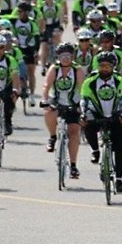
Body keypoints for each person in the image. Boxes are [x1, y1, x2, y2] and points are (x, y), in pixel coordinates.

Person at [80, 51, 122, 193]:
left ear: (113, 66)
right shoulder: (90, 81)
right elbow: (85, 100)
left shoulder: (119, 80)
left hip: (114, 115)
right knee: (87, 125)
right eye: (102, 66)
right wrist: (83, 114)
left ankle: (119, 179)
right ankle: (95, 150)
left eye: (108, 66)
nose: (104, 69)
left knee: (121, 146)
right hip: (97, 113)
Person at [41, 42, 84, 178]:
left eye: (68, 55)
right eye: (62, 55)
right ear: (58, 56)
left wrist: (83, 104)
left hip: (73, 102)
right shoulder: (55, 68)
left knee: (74, 133)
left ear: (73, 56)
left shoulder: (77, 69)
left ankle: (73, 166)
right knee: (49, 111)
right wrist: (44, 99)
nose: (65, 58)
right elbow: (47, 86)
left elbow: (83, 88)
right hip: (57, 100)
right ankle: (52, 137)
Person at [91, 30, 122, 106]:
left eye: (107, 41)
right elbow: (95, 74)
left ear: (112, 41)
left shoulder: (120, 53)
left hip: (117, 82)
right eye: (102, 42)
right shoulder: (97, 55)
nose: (104, 44)